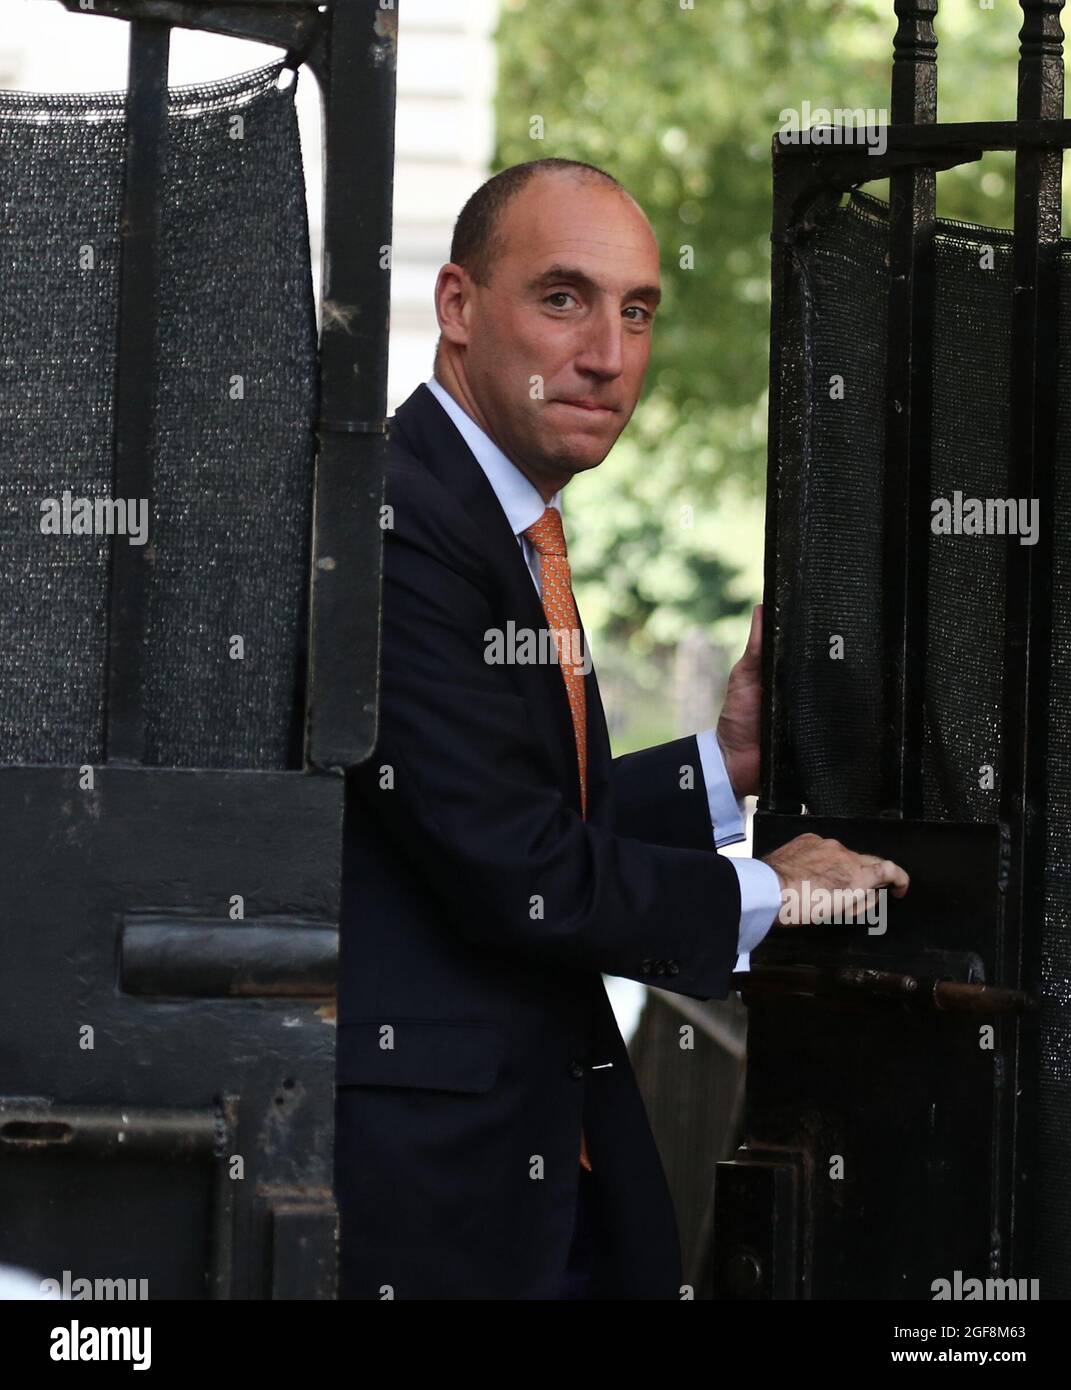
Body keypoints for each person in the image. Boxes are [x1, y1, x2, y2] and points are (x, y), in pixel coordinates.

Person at [335, 157, 909, 1300]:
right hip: (438, 1199)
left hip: (547, 1170)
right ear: (457, 307)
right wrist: (767, 894)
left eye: (635, 310)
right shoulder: (396, 523)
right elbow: (508, 865)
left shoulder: (497, 515)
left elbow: (500, 815)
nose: (607, 354)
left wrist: (719, 767)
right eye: (563, 298)